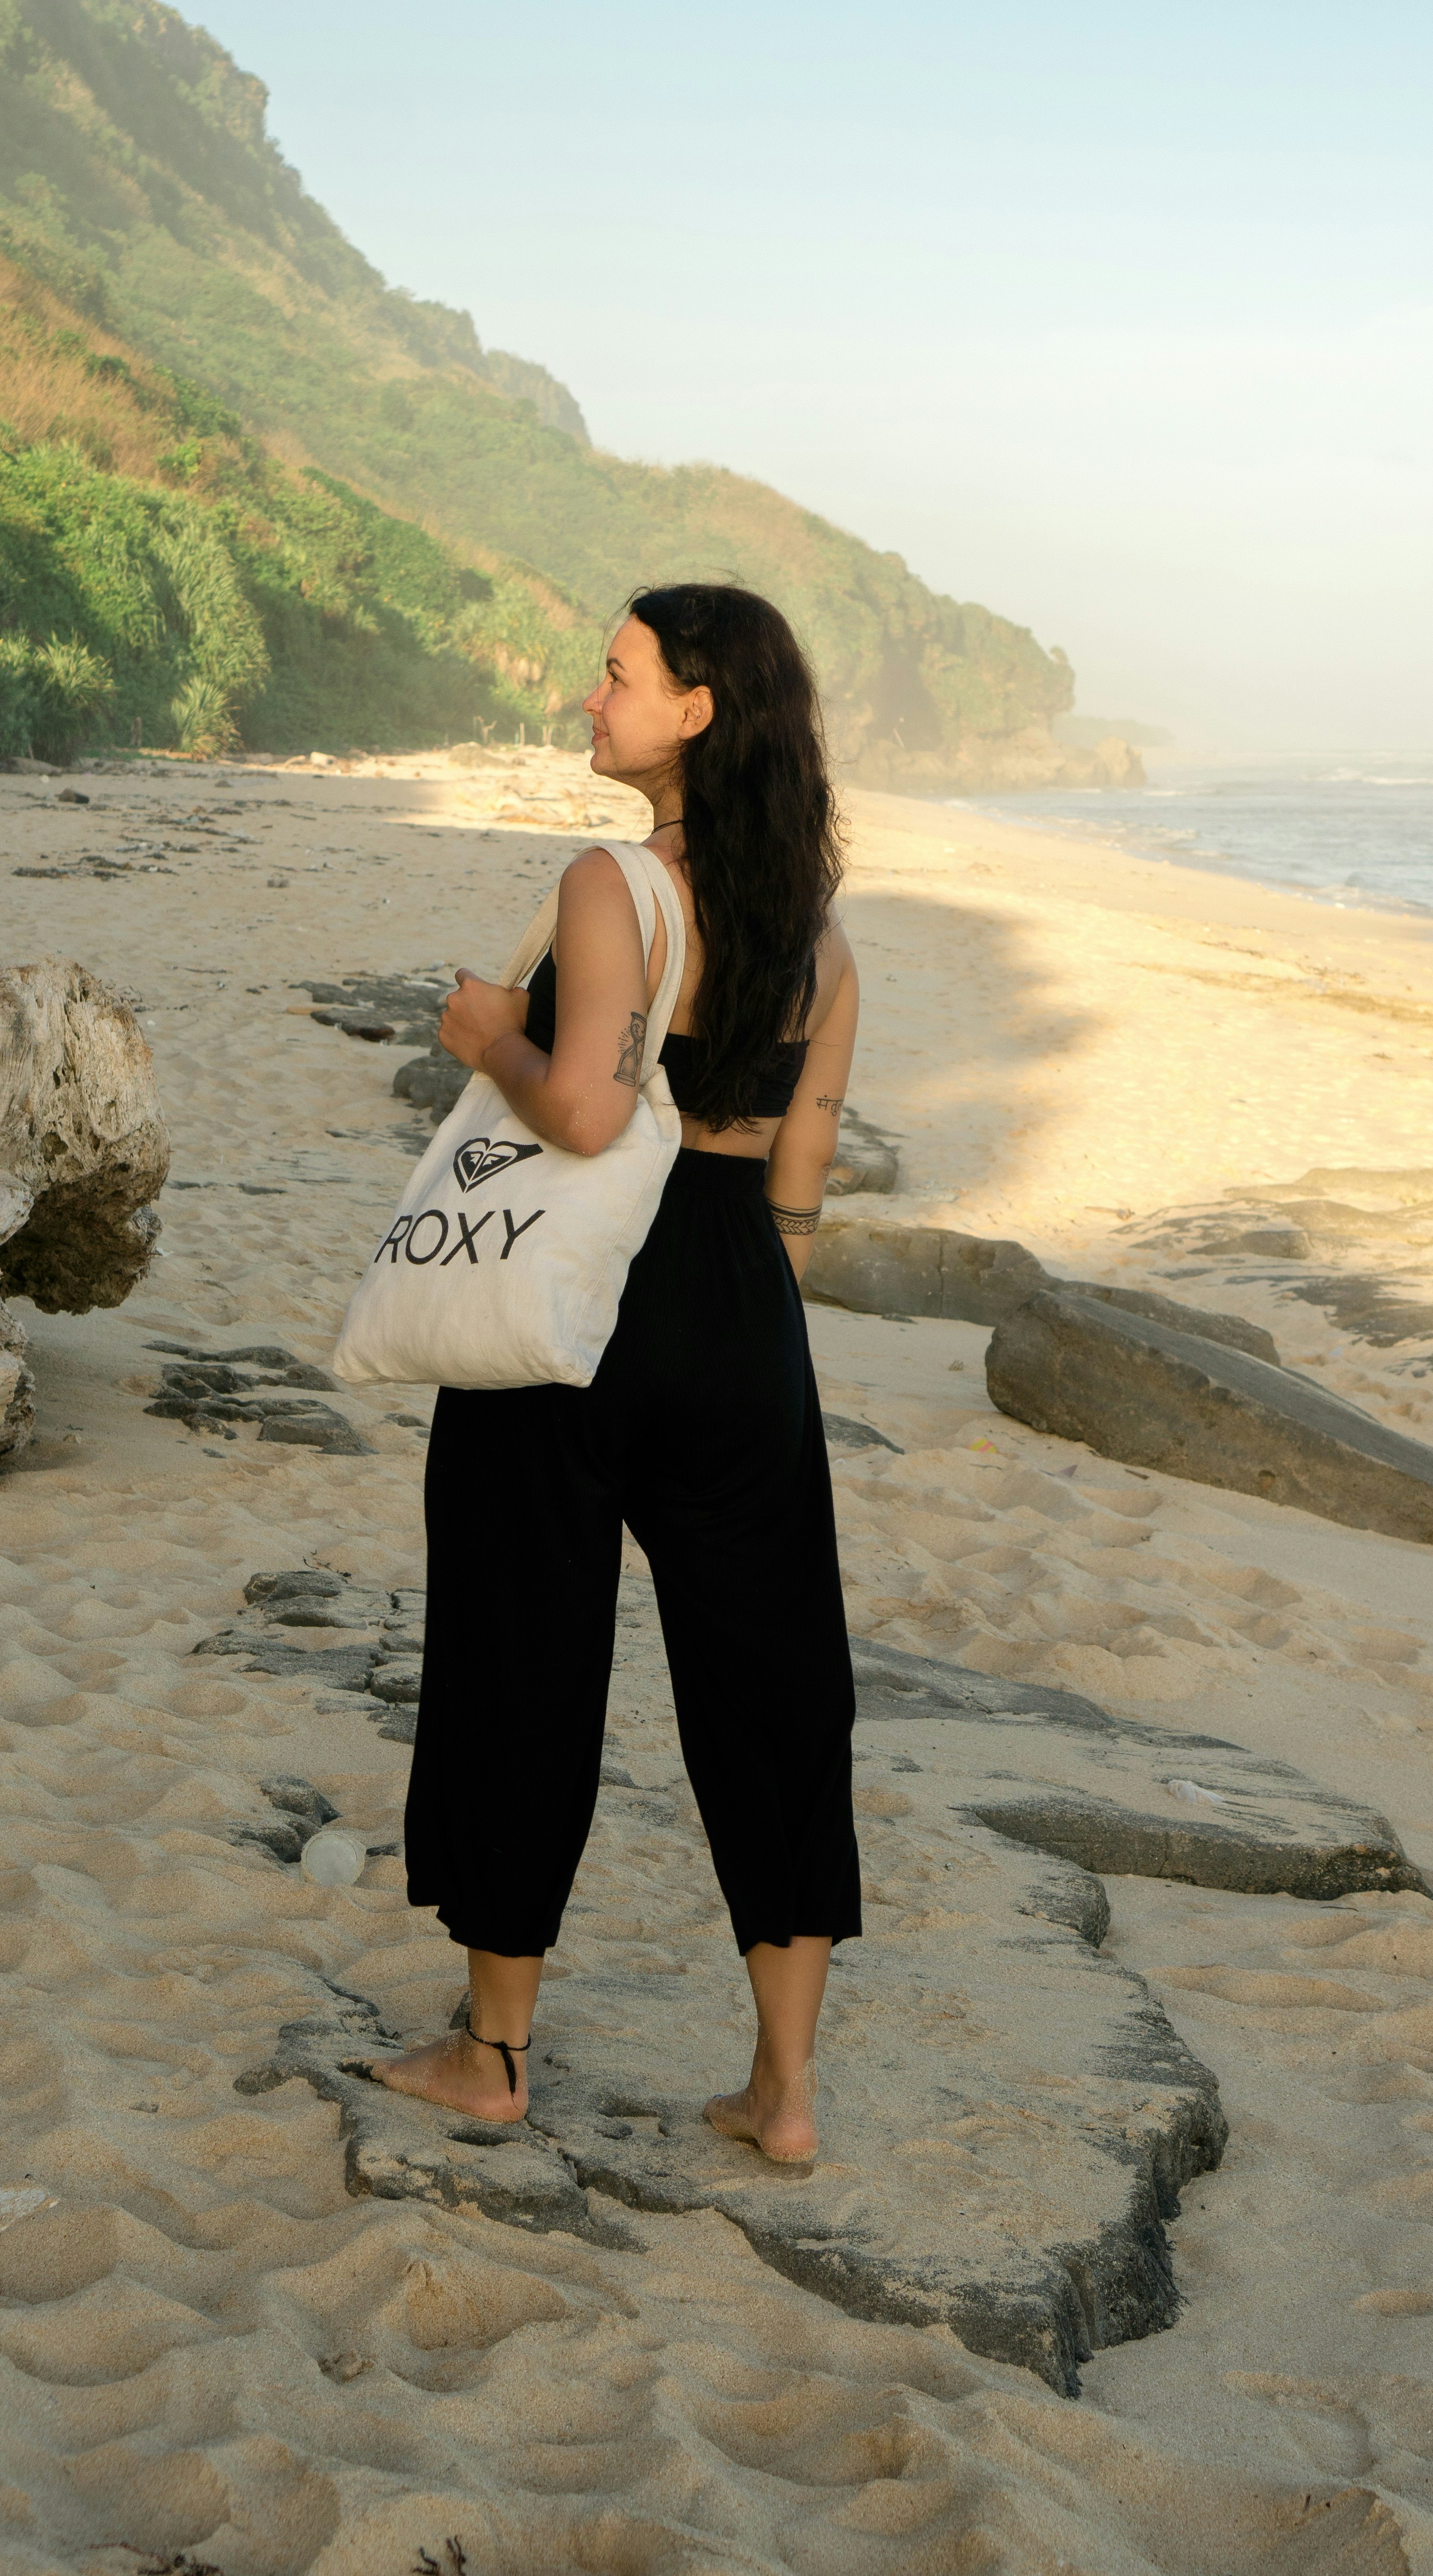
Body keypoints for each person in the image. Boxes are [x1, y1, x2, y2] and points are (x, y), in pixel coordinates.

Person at [374, 581, 862, 2166]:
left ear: (699, 709)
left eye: (618, 675)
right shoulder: (820, 939)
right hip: (740, 1298)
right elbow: (801, 1178)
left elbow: (583, 1114)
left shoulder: (609, 886)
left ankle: (494, 2056)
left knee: (526, 1656)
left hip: (585, 1302)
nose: (592, 699)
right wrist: (751, 1343)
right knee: (774, 1684)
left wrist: (481, 1036)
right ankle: (784, 2093)